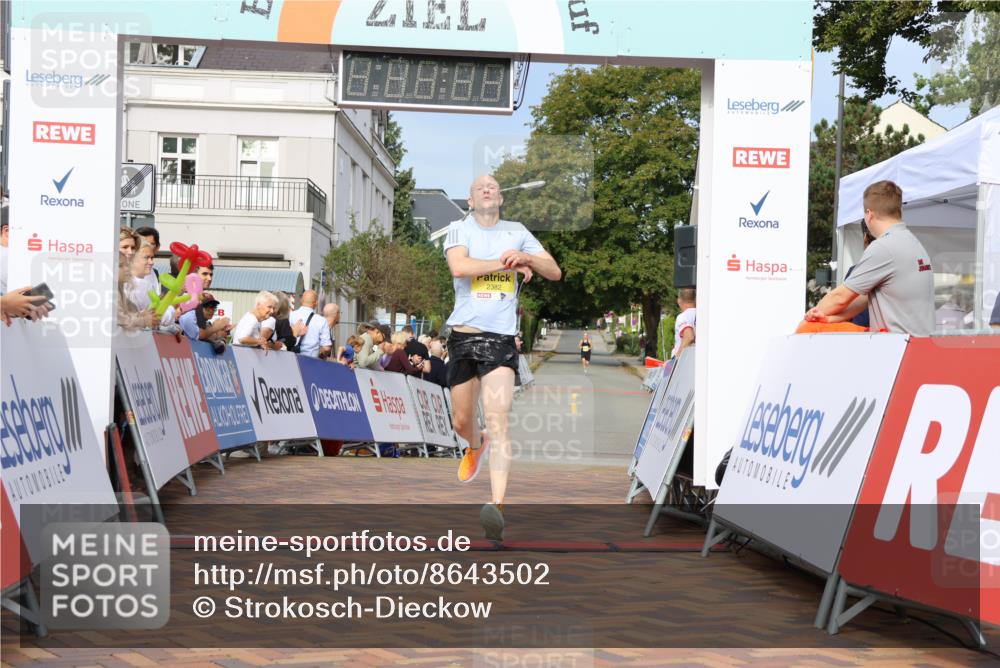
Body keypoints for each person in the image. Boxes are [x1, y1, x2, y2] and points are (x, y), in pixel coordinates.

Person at [444, 173, 561, 540]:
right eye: (479, 187)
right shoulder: (458, 230)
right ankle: (474, 446)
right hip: (463, 337)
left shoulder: (518, 231)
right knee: (462, 420)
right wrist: (507, 264)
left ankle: (496, 507)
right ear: (470, 201)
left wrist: (527, 257)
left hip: (500, 341)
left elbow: (554, 272)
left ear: (501, 199)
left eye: (492, 186)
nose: (487, 189)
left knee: (499, 420)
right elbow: (460, 268)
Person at [805, 180, 934, 336]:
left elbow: (839, 297)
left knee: (806, 328)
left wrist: (812, 316)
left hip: (897, 348)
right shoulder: (913, 243)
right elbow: (865, 299)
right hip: (917, 346)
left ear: (869, 214)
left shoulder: (884, 247)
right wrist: (830, 318)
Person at [290, 290, 332, 358]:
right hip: (311, 361)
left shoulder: (290, 315)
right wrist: (321, 354)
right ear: (316, 303)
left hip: (292, 358)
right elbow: (326, 348)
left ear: (301, 300)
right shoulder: (322, 321)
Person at [672, 288, 696, 358]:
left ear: (679, 301)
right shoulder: (702, 315)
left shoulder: (683, 317)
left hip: (684, 364)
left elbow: (689, 336)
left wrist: (675, 359)